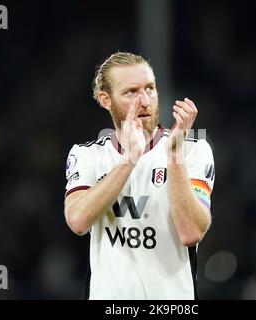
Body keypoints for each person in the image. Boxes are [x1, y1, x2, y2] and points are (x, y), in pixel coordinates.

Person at [63, 52, 215, 300]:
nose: (144, 100)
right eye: (131, 92)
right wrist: (130, 158)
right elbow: (78, 221)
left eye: (150, 89)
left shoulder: (193, 150)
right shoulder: (87, 155)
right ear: (105, 99)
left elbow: (191, 233)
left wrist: (174, 156)